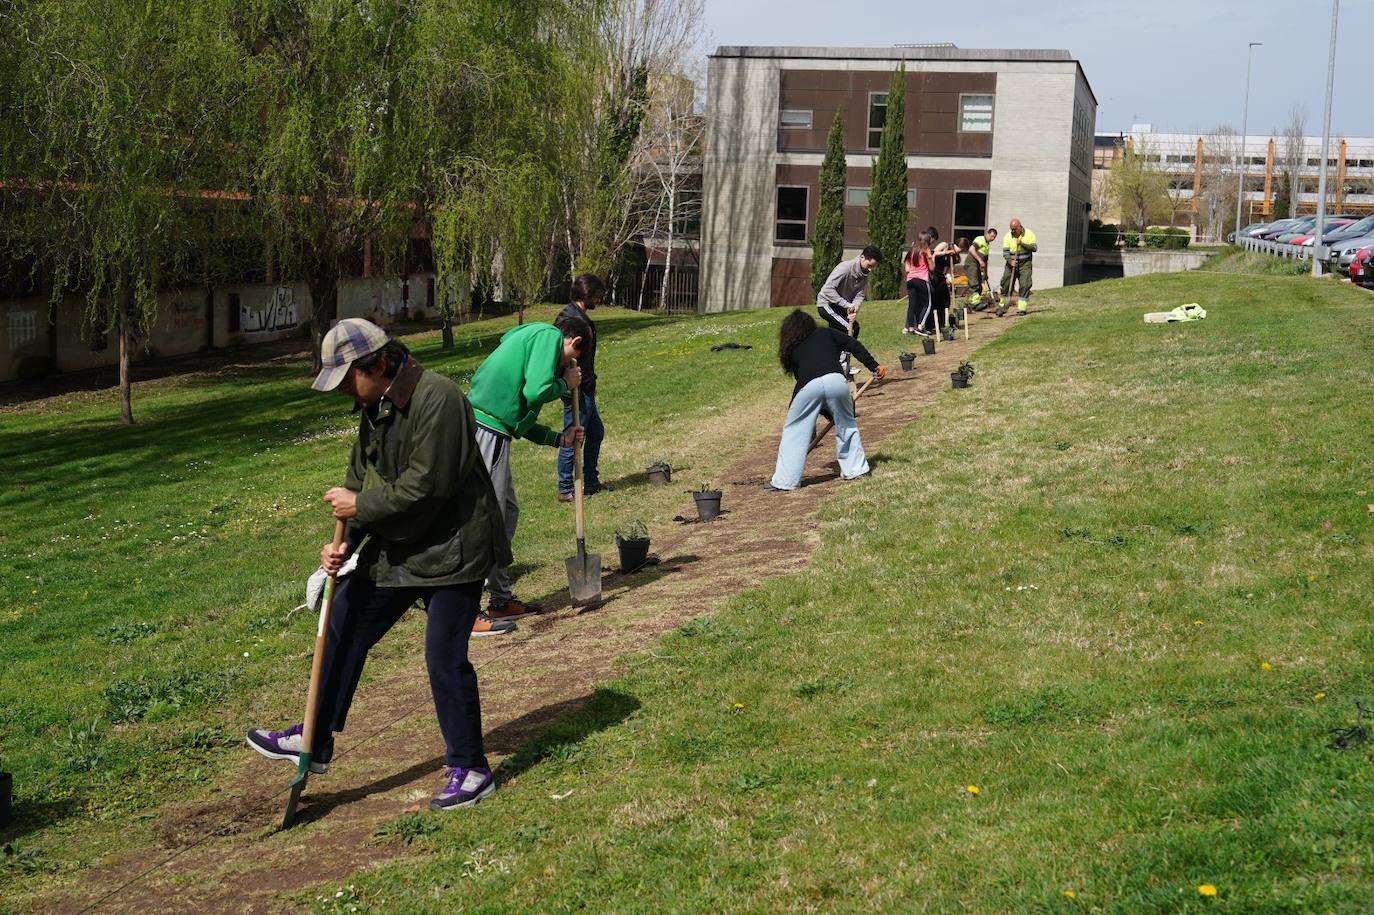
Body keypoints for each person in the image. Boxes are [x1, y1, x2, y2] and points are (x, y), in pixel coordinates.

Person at [247, 318, 512, 811]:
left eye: (349, 379)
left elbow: (426, 486)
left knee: (443, 658)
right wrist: (345, 542)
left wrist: (359, 508)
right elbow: (358, 479)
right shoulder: (375, 405)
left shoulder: (440, 399)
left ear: (380, 363)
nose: (346, 390)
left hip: (455, 549)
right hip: (402, 546)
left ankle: (471, 768)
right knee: (344, 618)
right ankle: (315, 737)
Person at [467, 315, 589, 622]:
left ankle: (500, 599)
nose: (569, 365)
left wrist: (558, 439)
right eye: (574, 359)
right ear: (573, 342)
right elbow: (536, 391)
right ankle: (467, 611)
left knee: (506, 513)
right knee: (487, 521)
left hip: (494, 430)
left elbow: (520, 417)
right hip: (485, 430)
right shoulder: (547, 336)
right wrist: (565, 383)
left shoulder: (532, 341)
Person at [763, 310, 885, 492]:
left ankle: (784, 481)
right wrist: (874, 366)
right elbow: (853, 344)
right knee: (847, 423)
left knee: (794, 431)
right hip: (837, 381)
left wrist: (795, 414)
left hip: (808, 387)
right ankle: (856, 470)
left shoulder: (793, 347)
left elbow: (809, 389)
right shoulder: (827, 333)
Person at [556, 275, 609, 504]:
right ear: (587, 294)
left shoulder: (580, 316)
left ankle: (591, 482)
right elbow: (562, 355)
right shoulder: (569, 318)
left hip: (585, 384)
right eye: (597, 294)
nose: (599, 298)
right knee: (574, 434)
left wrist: (591, 382)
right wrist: (570, 383)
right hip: (575, 386)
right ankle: (566, 488)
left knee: (595, 432)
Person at [817, 244, 881, 375]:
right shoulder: (845, 268)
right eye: (870, 265)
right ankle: (843, 364)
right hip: (826, 304)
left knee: (841, 334)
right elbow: (827, 290)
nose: (871, 270)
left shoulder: (865, 274)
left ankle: (835, 365)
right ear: (862, 257)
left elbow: (860, 294)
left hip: (840, 306)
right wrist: (847, 305)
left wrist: (854, 309)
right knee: (850, 328)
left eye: (874, 267)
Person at [999, 218, 1037, 316]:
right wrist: (1010, 261)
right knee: (1005, 283)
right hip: (1010, 264)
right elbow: (1005, 252)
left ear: (1020, 227)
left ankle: (1022, 309)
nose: (1012, 231)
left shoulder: (1029, 234)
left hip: (1025, 264)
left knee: (1025, 284)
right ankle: (1002, 306)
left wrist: (1022, 244)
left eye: (1014, 229)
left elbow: (1034, 248)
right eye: (1011, 229)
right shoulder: (1007, 236)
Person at [903, 232, 934, 336]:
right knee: (927, 303)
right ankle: (920, 326)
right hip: (921, 279)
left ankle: (910, 328)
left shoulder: (912, 250)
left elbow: (907, 268)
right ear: (929, 241)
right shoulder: (926, 250)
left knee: (912, 304)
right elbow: (931, 268)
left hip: (910, 280)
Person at [966, 227, 997, 310]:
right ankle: (974, 304)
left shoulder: (987, 246)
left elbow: (985, 262)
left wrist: (986, 274)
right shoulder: (980, 239)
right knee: (974, 283)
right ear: (987, 233)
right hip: (971, 264)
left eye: (994, 237)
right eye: (991, 236)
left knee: (979, 285)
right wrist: (980, 260)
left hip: (977, 266)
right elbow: (971, 249)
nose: (992, 238)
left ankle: (975, 303)